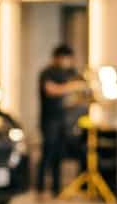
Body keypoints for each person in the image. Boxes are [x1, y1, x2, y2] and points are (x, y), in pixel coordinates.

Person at [36, 44, 87, 195]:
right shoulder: (47, 73)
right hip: (49, 119)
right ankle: (40, 187)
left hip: (64, 119)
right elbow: (51, 90)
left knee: (59, 153)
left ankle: (56, 189)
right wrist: (73, 86)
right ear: (58, 58)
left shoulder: (70, 73)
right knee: (48, 152)